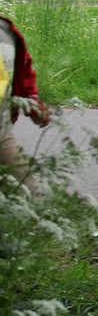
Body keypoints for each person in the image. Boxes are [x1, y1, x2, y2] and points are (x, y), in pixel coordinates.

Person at [0, 16, 50, 194]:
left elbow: (21, 71)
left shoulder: (5, 33)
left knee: (25, 190)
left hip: (1, 131)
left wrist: (32, 102)